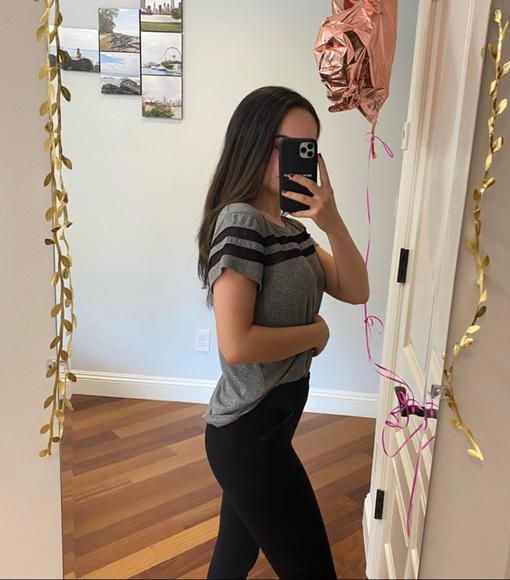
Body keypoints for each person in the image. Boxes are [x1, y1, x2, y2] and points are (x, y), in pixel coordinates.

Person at [196, 85, 370, 579]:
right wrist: (314, 334)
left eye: (305, 147)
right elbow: (236, 344)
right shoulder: (242, 221)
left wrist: (332, 220)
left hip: (271, 423)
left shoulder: (290, 229)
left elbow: (356, 289)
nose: (294, 159)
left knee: (236, 554)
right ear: (251, 141)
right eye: (282, 145)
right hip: (249, 431)